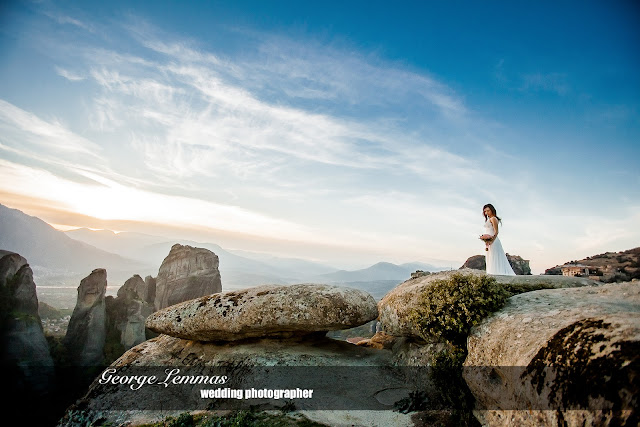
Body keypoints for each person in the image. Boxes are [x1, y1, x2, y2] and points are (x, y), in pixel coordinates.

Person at [479, 204, 516, 275]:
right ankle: (491, 272)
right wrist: (485, 239)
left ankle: (496, 273)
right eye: (485, 211)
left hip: (494, 241)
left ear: (492, 210)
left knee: (494, 257)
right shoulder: (489, 219)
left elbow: (496, 232)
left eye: (488, 210)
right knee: (490, 256)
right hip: (489, 241)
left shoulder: (493, 219)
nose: (486, 213)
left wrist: (491, 240)